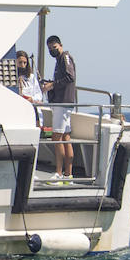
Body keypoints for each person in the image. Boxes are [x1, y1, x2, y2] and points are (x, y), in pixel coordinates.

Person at [42, 35, 77, 180]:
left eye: (54, 48)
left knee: (56, 137)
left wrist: (52, 85)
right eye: (50, 49)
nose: (52, 51)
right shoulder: (60, 59)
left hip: (62, 103)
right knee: (65, 137)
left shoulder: (65, 58)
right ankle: (68, 174)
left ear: (60, 45)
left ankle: (59, 173)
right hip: (63, 102)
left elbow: (70, 77)